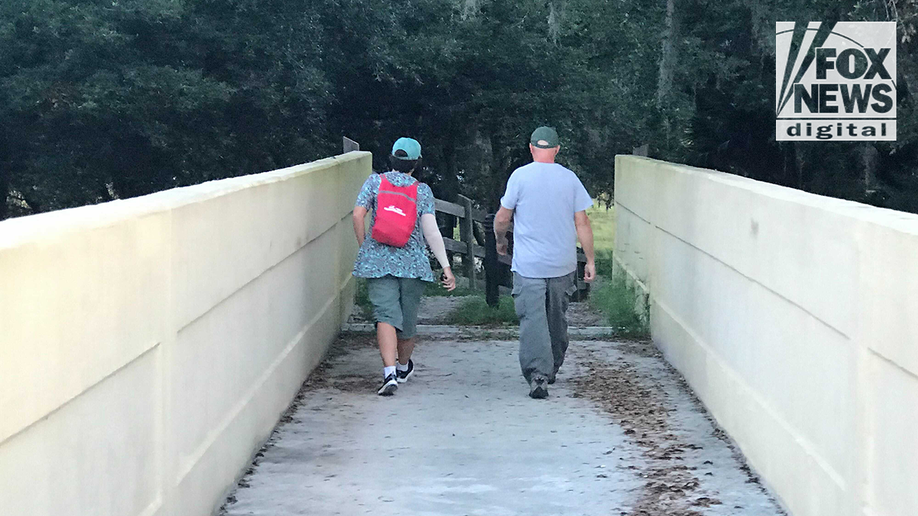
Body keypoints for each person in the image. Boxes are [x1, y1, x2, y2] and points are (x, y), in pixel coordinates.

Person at [493, 126, 596, 399]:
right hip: (562, 264)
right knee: (556, 318)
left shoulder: (519, 177)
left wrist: (500, 240)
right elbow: (582, 222)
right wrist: (590, 260)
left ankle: (538, 373)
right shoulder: (570, 179)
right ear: (557, 149)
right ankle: (552, 366)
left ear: (531, 148)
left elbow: (503, 218)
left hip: (528, 265)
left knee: (532, 319)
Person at [352, 137, 456, 396]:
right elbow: (431, 231)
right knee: (407, 324)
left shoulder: (375, 182)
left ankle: (389, 374)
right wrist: (445, 267)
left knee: (385, 316)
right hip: (413, 266)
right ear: (416, 163)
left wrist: (365, 246)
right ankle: (402, 366)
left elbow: (357, 214)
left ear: (392, 159)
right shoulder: (421, 191)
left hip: (378, 261)